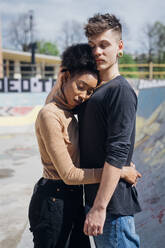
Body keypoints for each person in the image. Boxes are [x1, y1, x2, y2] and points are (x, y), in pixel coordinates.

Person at [29, 43, 140, 248]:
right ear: (64, 77)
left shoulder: (71, 110)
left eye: (90, 91)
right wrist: (119, 172)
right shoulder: (49, 115)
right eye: (81, 86)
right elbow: (70, 175)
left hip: (73, 200)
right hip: (53, 201)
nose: (83, 96)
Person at [79, 13, 142, 247]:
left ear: (120, 47)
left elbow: (117, 150)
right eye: (92, 46)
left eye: (104, 45)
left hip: (111, 208)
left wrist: (99, 207)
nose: (97, 52)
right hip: (96, 202)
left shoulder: (120, 90)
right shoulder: (92, 90)